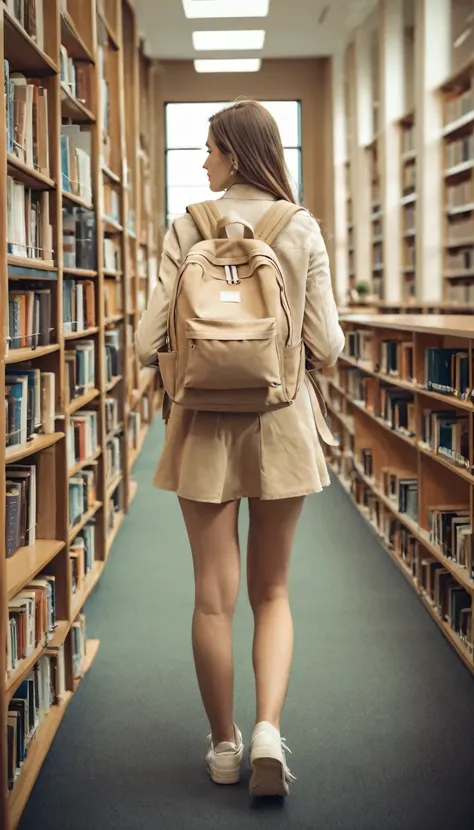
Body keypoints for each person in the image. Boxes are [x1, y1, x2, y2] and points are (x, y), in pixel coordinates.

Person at [135, 99, 345, 798]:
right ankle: (267, 733)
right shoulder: (300, 226)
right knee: (274, 591)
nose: (203, 161)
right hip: (283, 424)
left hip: (202, 429)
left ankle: (223, 746)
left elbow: (144, 343)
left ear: (235, 153)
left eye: (210, 149)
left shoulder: (186, 226)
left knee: (212, 599)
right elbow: (327, 346)